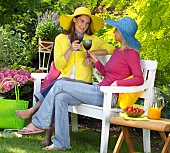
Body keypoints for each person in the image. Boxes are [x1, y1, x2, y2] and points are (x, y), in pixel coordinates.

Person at [18, 16, 144, 151]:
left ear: (122, 33)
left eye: (116, 29)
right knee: (60, 97)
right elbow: (108, 74)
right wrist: (96, 61)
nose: (113, 32)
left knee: (60, 84)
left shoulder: (132, 54)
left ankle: (38, 123)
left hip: (108, 96)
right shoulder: (118, 51)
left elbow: (139, 78)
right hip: (100, 90)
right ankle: (61, 143)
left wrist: (118, 84)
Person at [16, 7, 114, 145]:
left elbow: (111, 49)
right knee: (59, 92)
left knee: (59, 83)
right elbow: (59, 65)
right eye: (81, 21)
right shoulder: (61, 39)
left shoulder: (91, 39)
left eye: (87, 23)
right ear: (74, 20)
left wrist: (91, 53)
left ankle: (35, 116)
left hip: (82, 86)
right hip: (63, 84)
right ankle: (55, 140)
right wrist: (70, 49)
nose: (83, 26)